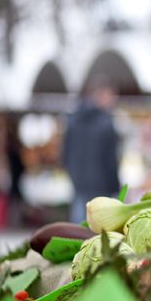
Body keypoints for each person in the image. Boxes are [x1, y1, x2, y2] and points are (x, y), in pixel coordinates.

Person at [62, 84, 121, 224]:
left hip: (78, 181)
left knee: (77, 228)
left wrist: (72, 173)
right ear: (101, 96)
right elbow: (111, 160)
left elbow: (65, 153)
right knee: (97, 227)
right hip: (101, 184)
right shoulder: (106, 123)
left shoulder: (73, 120)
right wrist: (115, 186)